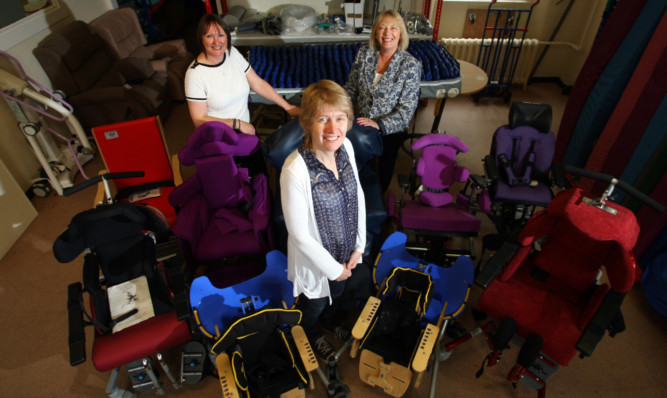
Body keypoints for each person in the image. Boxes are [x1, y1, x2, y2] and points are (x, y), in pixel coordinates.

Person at [280, 80, 366, 361]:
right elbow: (299, 234)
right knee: (314, 304)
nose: (333, 129)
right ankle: (312, 330)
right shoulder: (295, 170)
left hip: (346, 255)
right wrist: (332, 268)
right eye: (323, 119)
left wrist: (359, 246)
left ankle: (330, 321)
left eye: (340, 118)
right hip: (317, 264)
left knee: (338, 296)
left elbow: (358, 195)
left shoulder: (347, 148)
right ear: (307, 122)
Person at [344, 10, 421, 193]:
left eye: (393, 28)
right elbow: (351, 89)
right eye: (382, 28)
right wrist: (340, 110)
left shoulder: (410, 65)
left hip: (389, 130)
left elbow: (406, 110)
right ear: (375, 32)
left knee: (384, 168)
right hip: (361, 123)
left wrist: (379, 125)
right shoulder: (364, 54)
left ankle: (378, 197)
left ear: (401, 33)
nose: (387, 34)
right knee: (357, 163)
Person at [185, 13, 300, 134]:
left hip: (244, 131)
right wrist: (237, 124)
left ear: (227, 36)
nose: (216, 41)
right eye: (209, 36)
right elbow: (199, 119)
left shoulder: (232, 53)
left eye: (220, 35)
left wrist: (288, 107)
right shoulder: (195, 74)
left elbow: (257, 83)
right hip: (219, 136)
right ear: (201, 39)